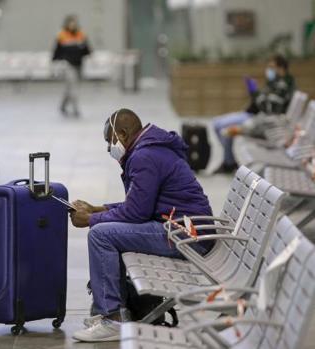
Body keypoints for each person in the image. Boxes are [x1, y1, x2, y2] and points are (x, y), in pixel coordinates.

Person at [69, 108, 213, 342]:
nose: (109, 148)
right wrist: (98, 209)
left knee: (100, 235)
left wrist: (90, 219)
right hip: (185, 229)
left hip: (185, 237)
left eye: (110, 141)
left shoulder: (144, 156)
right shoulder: (149, 148)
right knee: (107, 230)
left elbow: (136, 212)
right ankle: (110, 311)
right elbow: (140, 202)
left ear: (123, 134)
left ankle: (112, 319)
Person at [212, 54, 296, 174]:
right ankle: (229, 161)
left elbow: (268, 108)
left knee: (225, 129)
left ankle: (228, 163)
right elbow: (264, 102)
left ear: (281, 68)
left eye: (272, 67)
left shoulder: (283, 85)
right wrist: (255, 93)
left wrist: (255, 92)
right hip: (257, 115)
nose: (269, 70)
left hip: (262, 119)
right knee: (216, 123)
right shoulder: (275, 83)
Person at [52, 15, 91, 117]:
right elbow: (57, 52)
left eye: (74, 23)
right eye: (70, 23)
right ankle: (76, 109)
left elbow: (87, 50)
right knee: (74, 87)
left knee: (69, 88)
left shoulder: (81, 34)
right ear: (67, 24)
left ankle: (63, 105)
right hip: (68, 65)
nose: (72, 25)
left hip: (79, 65)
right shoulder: (62, 35)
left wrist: (82, 48)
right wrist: (56, 63)